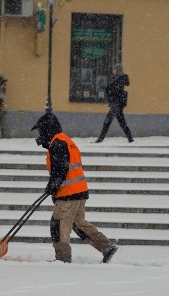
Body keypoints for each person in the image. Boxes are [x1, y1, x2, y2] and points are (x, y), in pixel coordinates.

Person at [32, 111, 119, 264]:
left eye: (42, 131)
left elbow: (60, 170)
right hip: (79, 191)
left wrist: (51, 186)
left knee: (58, 225)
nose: (41, 135)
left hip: (68, 194)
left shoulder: (58, 143)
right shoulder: (66, 140)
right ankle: (106, 246)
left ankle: (62, 260)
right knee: (79, 224)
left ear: (47, 129)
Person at [95, 63, 133, 143]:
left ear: (118, 70)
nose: (113, 71)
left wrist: (109, 89)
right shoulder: (116, 78)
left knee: (107, 122)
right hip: (116, 104)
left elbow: (116, 90)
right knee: (121, 123)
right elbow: (111, 89)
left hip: (117, 104)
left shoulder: (121, 79)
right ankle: (130, 138)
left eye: (114, 69)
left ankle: (101, 139)